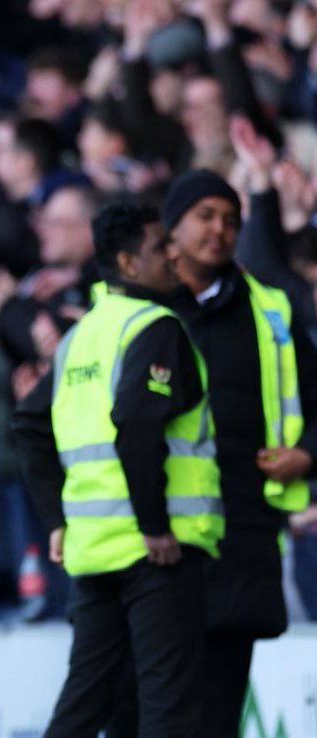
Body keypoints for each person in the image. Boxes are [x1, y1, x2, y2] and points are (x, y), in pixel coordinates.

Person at [12, 202, 224, 737]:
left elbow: (29, 425)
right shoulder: (156, 327)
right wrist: (154, 525)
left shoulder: (81, 335)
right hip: (156, 553)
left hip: (93, 551)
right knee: (168, 709)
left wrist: (58, 521)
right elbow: (135, 421)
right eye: (161, 248)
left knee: (85, 705)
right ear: (129, 264)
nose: (174, 254)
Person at [162, 169, 317, 737]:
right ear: (171, 229)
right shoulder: (137, 303)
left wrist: (306, 453)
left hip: (241, 538)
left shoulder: (270, 312)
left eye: (230, 220)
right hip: (158, 543)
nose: (219, 230)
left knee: (220, 712)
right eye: (205, 215)